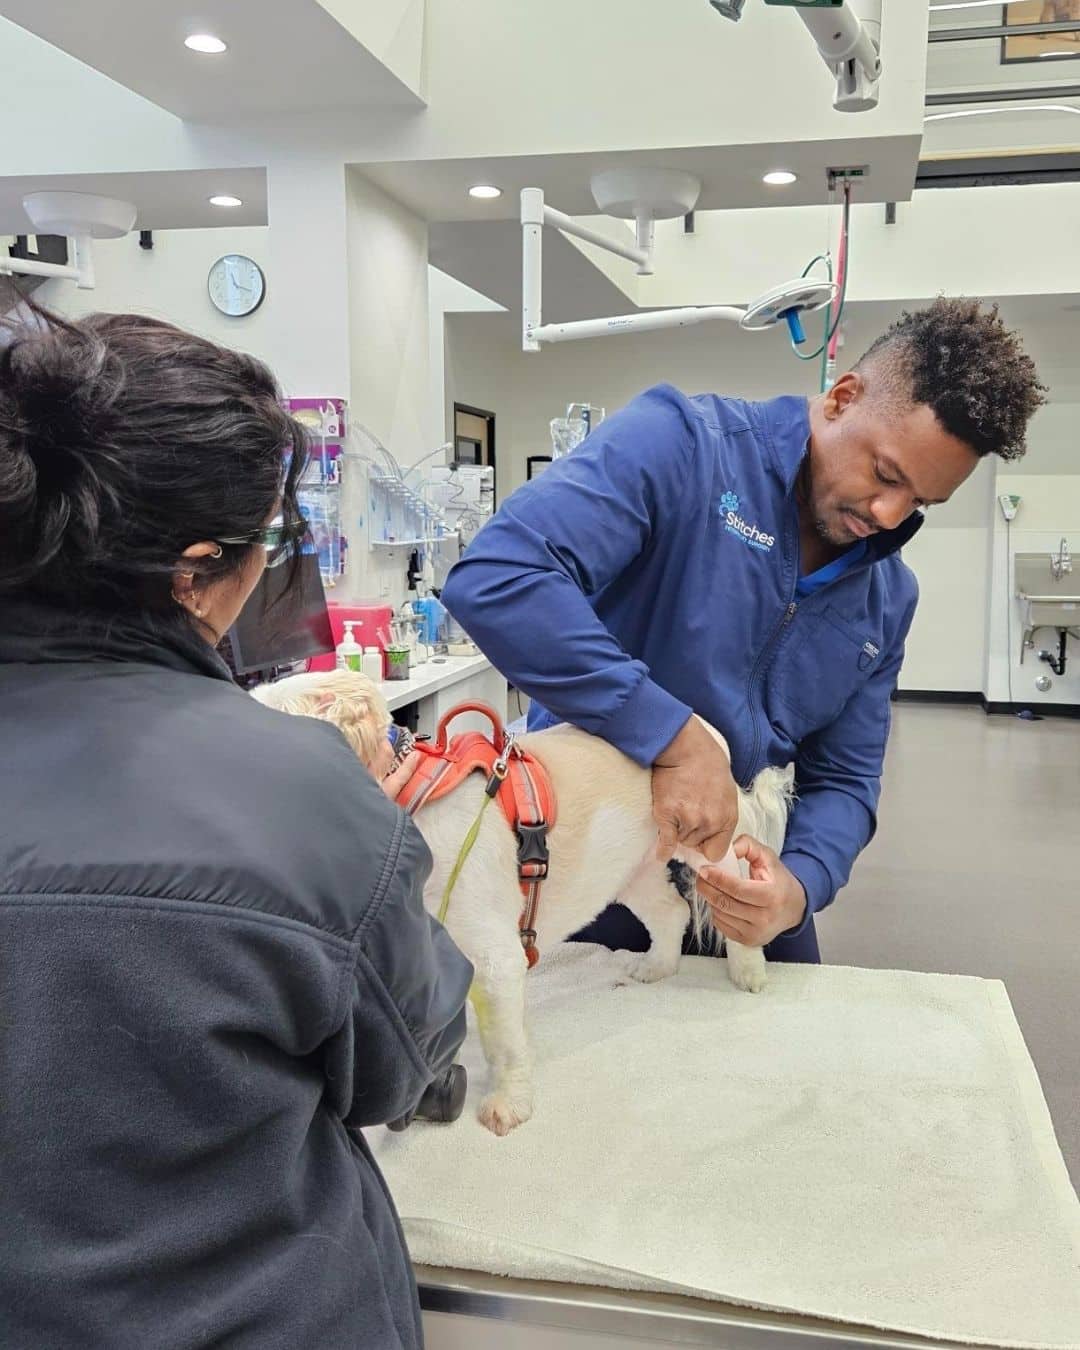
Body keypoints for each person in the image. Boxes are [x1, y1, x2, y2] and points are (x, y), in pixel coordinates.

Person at [0, 309, 473, 1349]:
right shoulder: (300, 796)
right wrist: (356, 826)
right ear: (196, 566)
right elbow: (408, 1070)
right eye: (275, 539)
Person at [442, 298, 1046, 964]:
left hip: (740, 892)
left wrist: (801, 884)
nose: (888, 513)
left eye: (921, 503)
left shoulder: (888, 596)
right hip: (590, 870)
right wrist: (672, 735)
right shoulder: (682, 446)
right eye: (885, 474)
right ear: (844, 397)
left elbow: (844, 779)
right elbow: (499, 576)